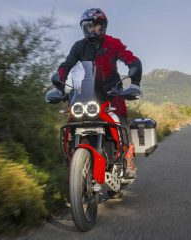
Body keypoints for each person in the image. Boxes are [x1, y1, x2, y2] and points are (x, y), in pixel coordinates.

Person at [52, 8, 142, 178]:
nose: (93, 29)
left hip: (111, 91)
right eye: (89, 26)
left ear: (103, 26)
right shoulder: (79, 46)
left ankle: (128, 158)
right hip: (86, 92)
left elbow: (129, 58)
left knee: (121, 121)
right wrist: (60, 86)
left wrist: (134, 79)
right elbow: (66, 66)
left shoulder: (113, 43)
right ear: (84, 28)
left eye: (97, 25)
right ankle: (75, 165)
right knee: (73, 121)